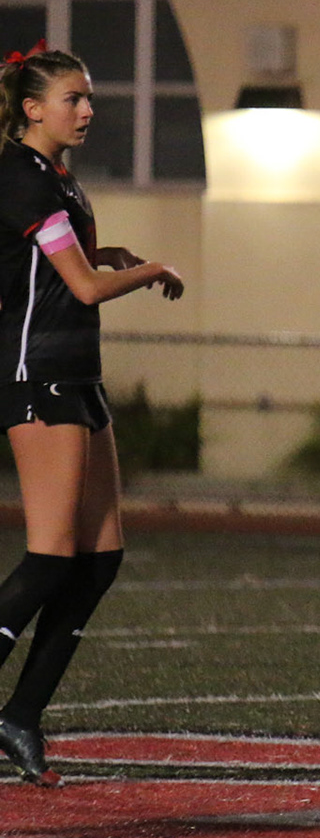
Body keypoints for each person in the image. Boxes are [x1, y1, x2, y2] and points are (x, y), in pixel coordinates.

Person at [0, 44, 184, 785]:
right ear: (32, 108)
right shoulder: (19, 174)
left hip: (78, 373)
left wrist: (105, 252)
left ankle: (20, 715)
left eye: (88, 97)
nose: (87, 110)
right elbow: (79, 288)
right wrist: (150, 270)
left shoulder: (56, 175)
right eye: (72, 98)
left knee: (100, 558)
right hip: (37, 373)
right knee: (51, 555)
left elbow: (58, 264)